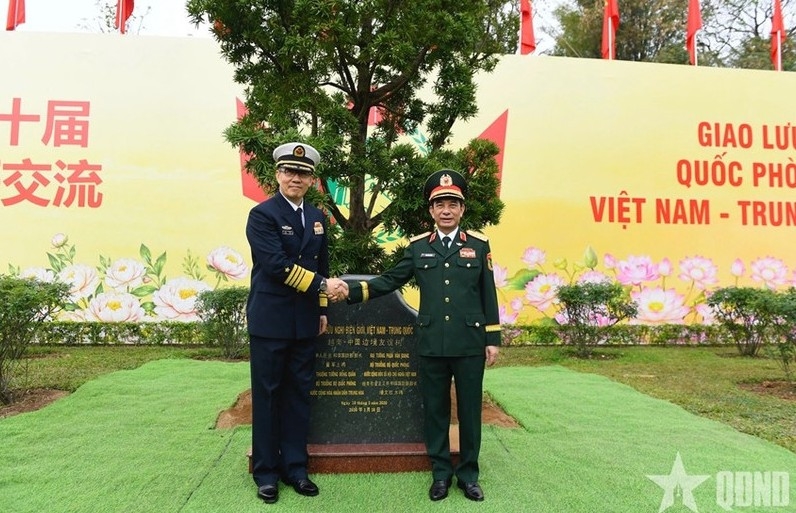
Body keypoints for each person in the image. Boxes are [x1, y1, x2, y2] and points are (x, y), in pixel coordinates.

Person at [343, 169, 501, 502]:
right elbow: (389, 281)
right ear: (431, 210)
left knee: (470, 411)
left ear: (462, 209)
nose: (446, 210)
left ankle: (469, 475)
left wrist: (492, 338)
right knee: (435, 410)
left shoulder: (478, 245)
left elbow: (489, 293)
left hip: (470, 343)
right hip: (432, 342)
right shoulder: (417, 248)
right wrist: (352, 291)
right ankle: (441, 473)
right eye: (440, 204)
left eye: (453, 204)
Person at [245, 141, 347, 504]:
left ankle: (296, 468)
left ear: (311, 179)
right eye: (289, 171)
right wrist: (323, 286)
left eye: (302, 173)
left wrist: (321, 309)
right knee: (269, 396)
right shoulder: (262, 215)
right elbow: (275, 266)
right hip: (270, 321)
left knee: (299, 395)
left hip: (305, 322)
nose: (295, 178)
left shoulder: (317, 217)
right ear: (277, 174)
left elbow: (322, 264)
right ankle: (267, 473)